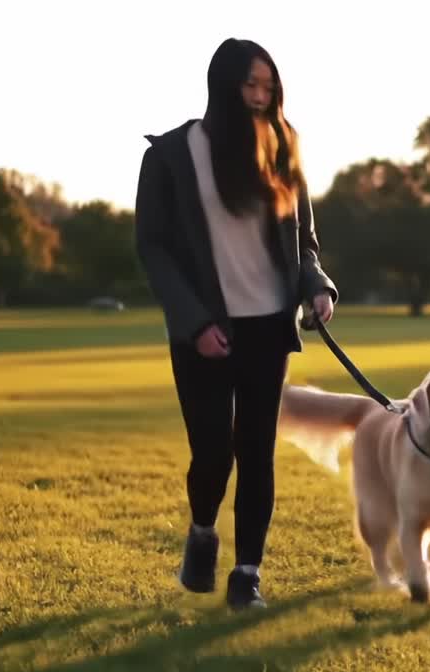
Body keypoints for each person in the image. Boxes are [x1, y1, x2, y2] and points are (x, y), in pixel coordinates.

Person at [134, 38, 337, 610]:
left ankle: (246, 574)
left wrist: (316, 286)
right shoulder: (171, 156)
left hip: (268, 327)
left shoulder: (284, 145)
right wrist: (194, 321)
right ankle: (202, 531)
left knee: (256, 451)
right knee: (212, 454)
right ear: (223, 85)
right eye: (250, 85)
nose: (259, 97)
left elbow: (305, 241)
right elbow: (152, 248)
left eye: (268, 88)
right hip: (204, 332)